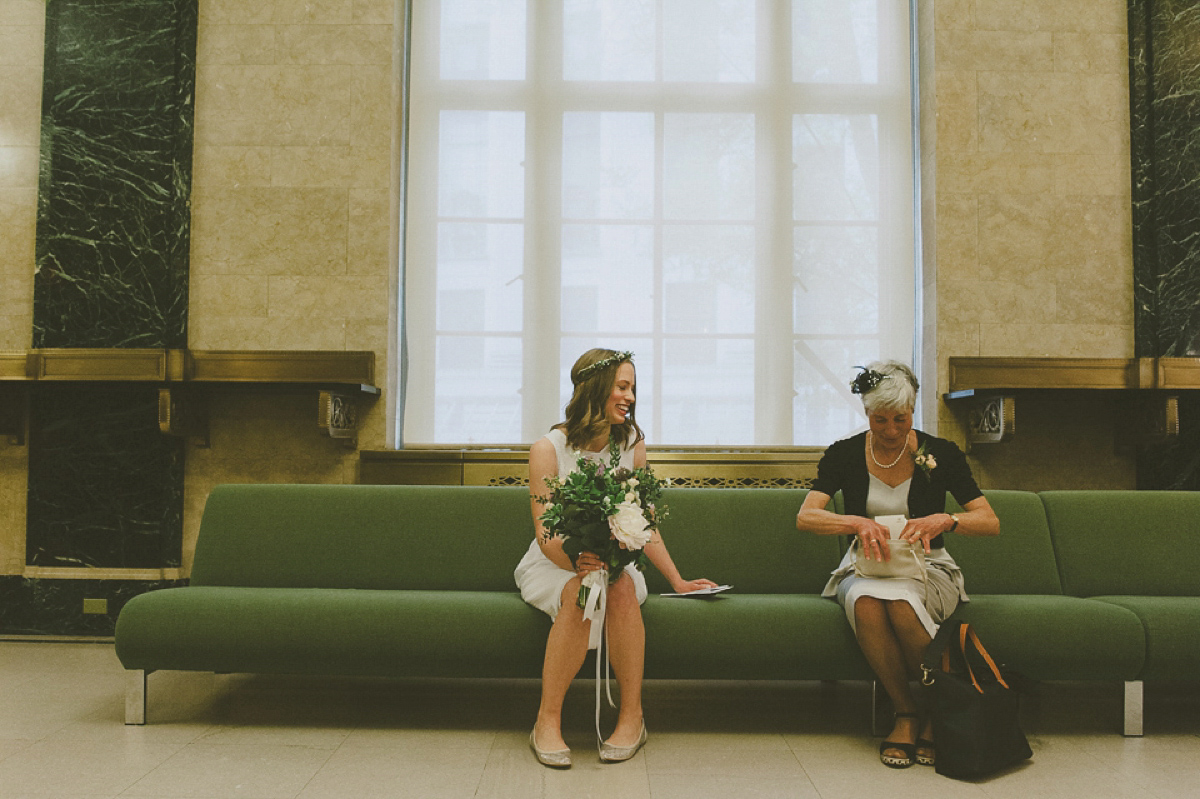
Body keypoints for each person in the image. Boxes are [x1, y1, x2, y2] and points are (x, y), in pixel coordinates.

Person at [516, 348, 717, 768]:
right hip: (555, 563)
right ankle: (546, 721)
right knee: (581, 590)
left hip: (616, 563)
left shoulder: (631, 444)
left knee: (620, 585)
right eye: (622, 387)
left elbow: (643, 522)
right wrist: (579, 564)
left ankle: (632, 717)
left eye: (632, 388)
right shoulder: (547, 449)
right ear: (596, 388)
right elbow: (545, 529)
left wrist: (677, 580)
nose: (629, 396)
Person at [795, 360, 999, 769]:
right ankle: (910, 712)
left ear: (913, 410)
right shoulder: (845, 454)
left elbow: (989, 521)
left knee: (900, 602)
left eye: (900, 420)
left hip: (929, 567)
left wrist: (948, 519)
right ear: (866, 413)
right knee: (868, 600)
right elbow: (806, 517)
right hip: (865, 568)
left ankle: (933, 711)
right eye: (879, 420)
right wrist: (853, 521)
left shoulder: (940, 453)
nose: (890, 431)